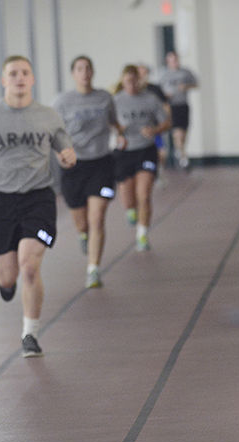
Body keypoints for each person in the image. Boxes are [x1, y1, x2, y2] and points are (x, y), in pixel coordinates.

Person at [0, 55, 76, 357]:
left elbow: (65, 147)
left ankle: (30, 334)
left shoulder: (48, 115)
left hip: (38, 198)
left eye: (25, 73)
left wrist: (68, 157)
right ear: (3, 80)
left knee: (29, 266)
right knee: (8, 276)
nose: (19, 78)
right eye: (13, 73)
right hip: (0, 201)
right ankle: (7, 285)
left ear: (32, 79)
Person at [53, 55, 126, 288]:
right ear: (73, 73)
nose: (84, 72)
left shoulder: (105, 98)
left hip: (101, 163)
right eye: (79, 69)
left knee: (97, 219)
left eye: (88, 68)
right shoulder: (62, 101)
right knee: (82, 222)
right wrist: (59, 154)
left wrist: (121, 135)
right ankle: (82, 234)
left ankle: (93, 270)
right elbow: (52, 133)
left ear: (92, 72)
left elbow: (115, 123)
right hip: (74, 166)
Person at [112, 65, 171, 251]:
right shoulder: (115, 101)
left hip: (145, 150)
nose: (131, 84)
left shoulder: (150, 99)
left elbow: (167, 122)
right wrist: (118, 131)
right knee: (128, 199)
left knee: (144, 195)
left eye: (134, 80)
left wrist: (154, 130)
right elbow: (107, 123)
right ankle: (130, 211)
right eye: (128, 81)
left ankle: (142, 235)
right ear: (122, 81)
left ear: (140, 80)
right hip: (124, 152)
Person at [158, 51, 198, 169]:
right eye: (172, 60)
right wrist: (165, 96)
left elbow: (195, 83)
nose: (174, 62)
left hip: (183, 105)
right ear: (167, 61)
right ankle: (183, 157)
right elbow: (158, 91)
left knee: (183, 133)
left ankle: (180, 150)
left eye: (176, 59)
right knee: (177, 132)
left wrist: (186, 86)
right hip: (171, 106)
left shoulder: (185, 72)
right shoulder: (163, 74)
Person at [137, 62, 171, 183]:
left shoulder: (155, 89)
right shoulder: (132, 91)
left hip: (155, 126)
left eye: (144, 73)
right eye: (139, 73)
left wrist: (167, 119)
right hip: (138, 129)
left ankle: (158, 171)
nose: (142, 76)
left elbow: (165, 105)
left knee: (162, 152)